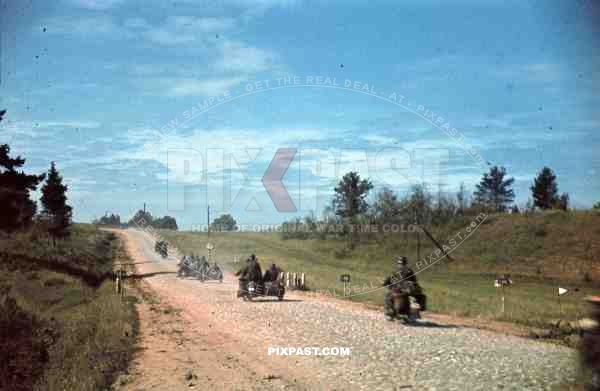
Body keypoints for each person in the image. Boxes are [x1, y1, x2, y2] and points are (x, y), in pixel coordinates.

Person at [383, 256, 425, 320]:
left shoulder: (398, 272)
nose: (401, 265)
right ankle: (390, 312)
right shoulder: (408, 271)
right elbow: (387, 281)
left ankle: (390, 312)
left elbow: (386, 281)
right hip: (401, 291)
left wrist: (386, 284)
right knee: (388, 296)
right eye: (401, 264)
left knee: (387, 296)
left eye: (402, 264)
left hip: (403, 291)